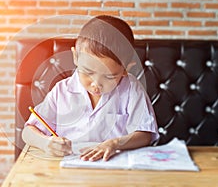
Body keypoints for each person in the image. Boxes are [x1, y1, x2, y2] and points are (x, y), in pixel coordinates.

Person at [22, 15, 159, 161]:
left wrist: (114, 143)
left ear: (126, 69)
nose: (96, 84)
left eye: (109, 77)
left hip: (114, 169)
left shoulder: (132, 89)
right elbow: (27, 132)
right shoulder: (61, 91)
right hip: (69, 168)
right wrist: (45, 143)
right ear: (76, 57)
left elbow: (145, 134)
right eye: (88, 72)